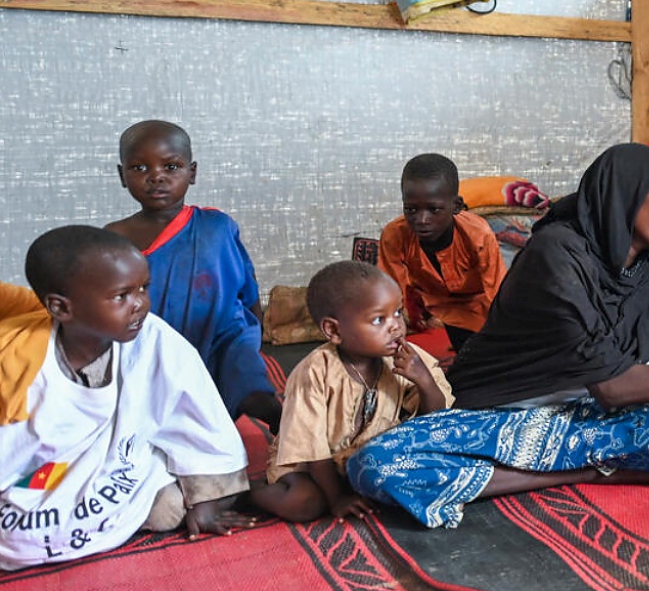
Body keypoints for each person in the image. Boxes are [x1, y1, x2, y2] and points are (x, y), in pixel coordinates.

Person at [348, 143, 649, 528]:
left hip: (589, 421)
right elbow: (616, 386)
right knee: (376, 465)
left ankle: (555, 462)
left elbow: (648, 383)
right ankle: (595, 472)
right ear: (625, 192)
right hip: (501, 413)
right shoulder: (558, 253)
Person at [0, 226, 252, 570]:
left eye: (144, 289)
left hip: (115, 463)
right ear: (62, 308)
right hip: (39, 480)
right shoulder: (17, 363)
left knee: (169, 510)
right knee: (17, 539)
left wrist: (208, 501)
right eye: (121, 296)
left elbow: (198, 417)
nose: (140, 305)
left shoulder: (154, 339)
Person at [105, 120, 282, 432]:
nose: (156, 176)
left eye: (171, 166)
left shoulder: (217, 227)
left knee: (245, 371)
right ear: (122, 176)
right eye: (140, 167)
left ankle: (266, 411)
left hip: (220, 334)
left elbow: (246, 285)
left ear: (192, 172)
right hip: (155, 340)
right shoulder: (113, 237)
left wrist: (255, 335)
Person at [250, 261, 452, 522]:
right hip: (308, 462)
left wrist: (424, 381)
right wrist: (337, 500)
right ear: (334, 330)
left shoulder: (407, 358)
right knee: (305, 504)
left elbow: (435, 420)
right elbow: (313, 449)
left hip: (361, 458)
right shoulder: (314, 372)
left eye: (398, 313)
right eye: (379, 319)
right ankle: (249, 496)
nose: (396, 327)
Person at [378, 153, 508, 353]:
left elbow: (497, 289)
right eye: (411, 209)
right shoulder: (394, 234)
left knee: (490, 353)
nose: (421, 219)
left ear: (456, 206)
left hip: (476, 302)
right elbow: (390, 291)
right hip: (432, 303)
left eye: (434, 210)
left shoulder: (477, 234)